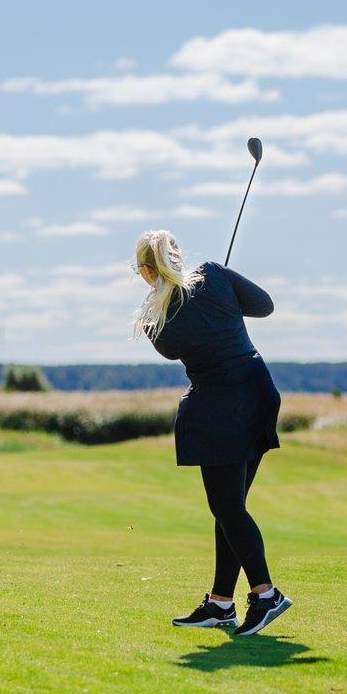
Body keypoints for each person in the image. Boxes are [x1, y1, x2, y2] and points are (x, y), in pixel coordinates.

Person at [132, 229, 293, 637]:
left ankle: (265, 594)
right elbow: (264, 306)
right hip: (257, 391)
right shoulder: (214, 275)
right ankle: (222, 603)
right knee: (230, 506)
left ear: (146, 271)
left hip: (220, 405)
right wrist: (223, 281)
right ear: (178, 257)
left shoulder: (155, 321)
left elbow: (173, 344)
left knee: (227, 508)